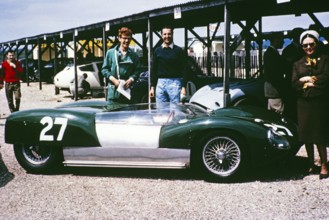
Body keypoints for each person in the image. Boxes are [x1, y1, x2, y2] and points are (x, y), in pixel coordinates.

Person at [291, 30, 329, 179]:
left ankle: (324, 165)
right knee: (306, 135)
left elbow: (326, 77)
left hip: (319, 102)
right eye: (305, 45)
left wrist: (309, 80)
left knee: (319, 134)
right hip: (303, 103)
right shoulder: (297, 63)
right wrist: (303, 80)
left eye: (311, 44)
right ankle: (311, 163)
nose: (308, 48)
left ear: (317, 44)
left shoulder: (325, 60)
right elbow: (294, 83)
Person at [149, 26, 188, 106]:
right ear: (161, 35)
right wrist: (152, 87)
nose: (167, 36)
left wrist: (183, 87)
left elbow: (184, 69)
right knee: (161, 111)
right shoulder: (157, 51)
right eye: (165, 34)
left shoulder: (178, 51)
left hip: (175, 84)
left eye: (169, 34)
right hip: (160, 84)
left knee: (175, 111)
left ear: (172, 34)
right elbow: (154, 70)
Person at [101, 27, 141, 104]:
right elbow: (104, 70)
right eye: (124, 38)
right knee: (113, 113)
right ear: (119, 38)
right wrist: (114, 80)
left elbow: (137, 70)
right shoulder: (111, 53)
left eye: (129, 38)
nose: (126, 41)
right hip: (113, 92)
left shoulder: (134, 55)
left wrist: (131, 80)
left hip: (128, 92)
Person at [281, 27, 305, 122]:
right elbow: (284, 66)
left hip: (302, 82)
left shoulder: (302, 49)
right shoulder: (288, 50)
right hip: (291, 82)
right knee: (292, 106)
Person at [263, 32, 287, 114]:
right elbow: (274, 73)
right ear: (276, 40)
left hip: (273, 90)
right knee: (278, 113)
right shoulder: (270, 54)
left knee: (272, 114)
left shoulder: (272, 52)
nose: (283, 42)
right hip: (274, 90)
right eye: (282, 40)